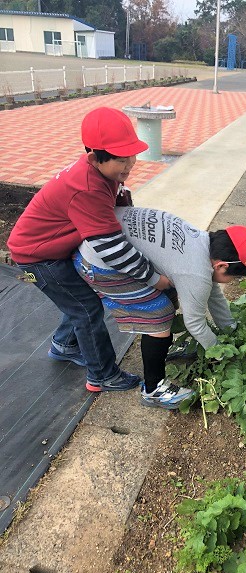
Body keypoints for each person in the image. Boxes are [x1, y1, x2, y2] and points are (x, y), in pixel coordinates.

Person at [7, 107, 171, 392]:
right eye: (121, 159)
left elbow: (117, 212)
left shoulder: (104, 174)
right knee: (86, 309)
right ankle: (103, 375)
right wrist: (154, 278)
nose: (130, 164)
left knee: (78, 300)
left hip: (52, 249)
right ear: (94, 158)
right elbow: (111, 248)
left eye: (132, 155)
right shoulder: (87, 188)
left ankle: (64, 344)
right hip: (36, 260)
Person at [73, 207, 246, 409]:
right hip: (99, 262)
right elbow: (195, 324)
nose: (232, 281)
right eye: (235, 277)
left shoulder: (202, 241)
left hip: (96, 241)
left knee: (170, 293)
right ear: (222, 266)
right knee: (159, 313)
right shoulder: (196, 272)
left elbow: (213, 294)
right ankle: (153, 390)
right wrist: (223, 353)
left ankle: (163, 347)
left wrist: (231, 330)